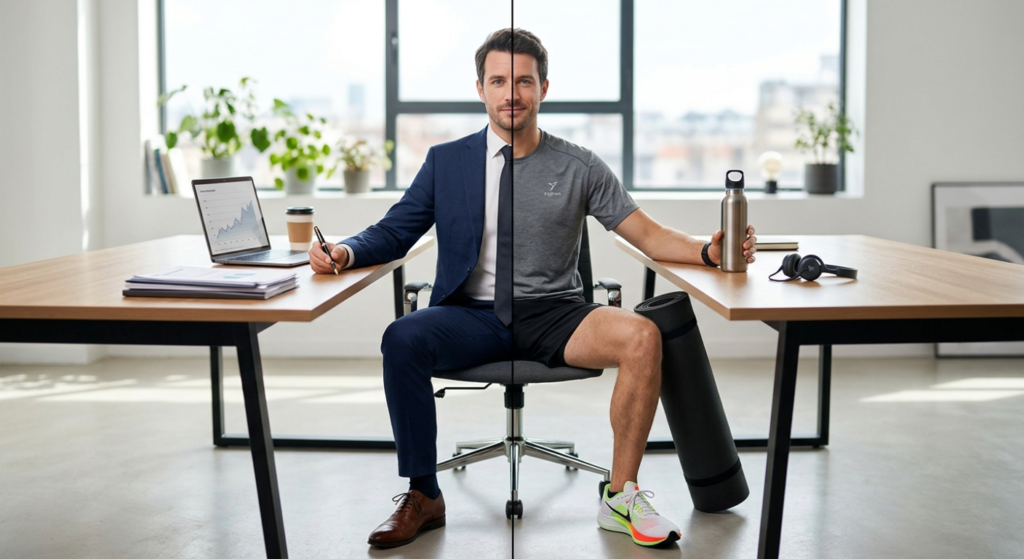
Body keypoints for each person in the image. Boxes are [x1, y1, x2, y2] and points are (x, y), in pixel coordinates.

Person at [309, 28, 757, 549]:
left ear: (544, 88)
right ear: (480, 88)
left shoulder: (580, 165)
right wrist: (345, 251)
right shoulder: (446, 163)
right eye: (499, 80)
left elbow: (649, 234)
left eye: (524, 81)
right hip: (469, 314)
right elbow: (394, 230)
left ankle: (621, 496)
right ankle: (424, 493)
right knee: (402, 337)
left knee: (642, 336)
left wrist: (709, 250)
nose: (511, 93)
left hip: (556, 314)